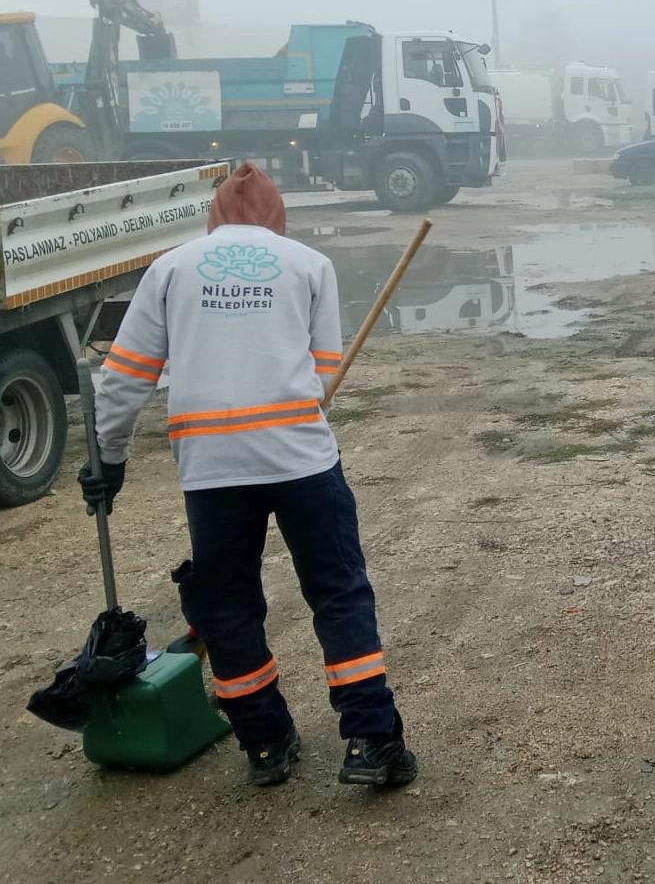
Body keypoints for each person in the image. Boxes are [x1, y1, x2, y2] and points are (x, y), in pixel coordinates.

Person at [77, 163, 417, 789]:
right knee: (338, 590)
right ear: (278, 216)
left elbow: (123, 379)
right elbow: (320, 374)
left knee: (227, 604)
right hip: (300, 458)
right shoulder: (309, 264)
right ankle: (371, 740)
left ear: (213, 218)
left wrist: (111, 457)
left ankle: (264, 743)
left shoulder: (171, 268)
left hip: (212, 468)